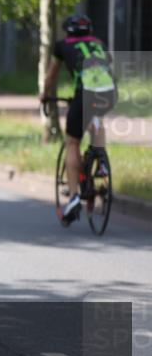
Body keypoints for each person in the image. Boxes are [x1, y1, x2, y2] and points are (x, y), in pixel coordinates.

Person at [43, 14, 117, 223]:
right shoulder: (99, 44)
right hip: (109, 92)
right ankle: (100, 158)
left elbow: (51, 76)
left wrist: (45, 95)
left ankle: (74, 196)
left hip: (85, 93)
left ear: (68, 31)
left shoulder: (62, 46)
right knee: (96, 117)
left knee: (73, 142)